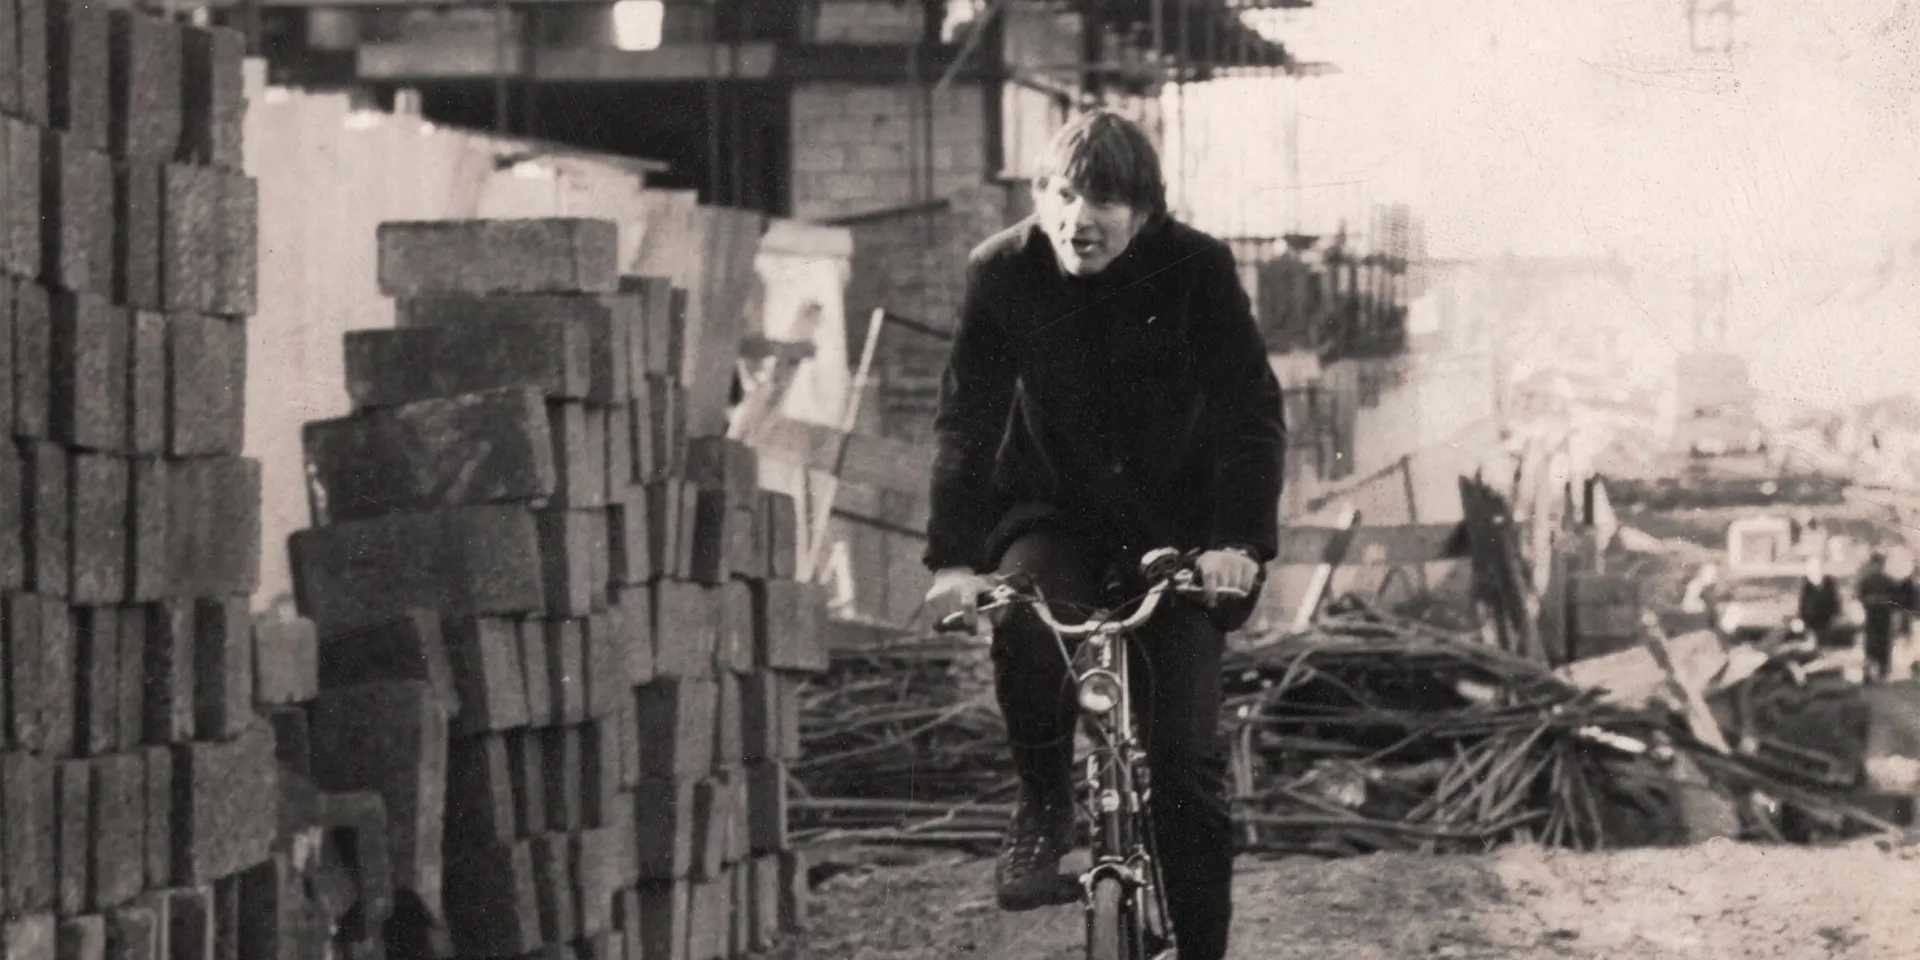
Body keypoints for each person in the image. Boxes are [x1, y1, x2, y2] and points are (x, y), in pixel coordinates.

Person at [920, 110, 1285, 960]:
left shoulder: (1198, 267)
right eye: (1064, 193)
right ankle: (1045, 801)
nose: (1080, 219)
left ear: (1147, 211)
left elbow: (1249, 412)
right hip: (1054, 518)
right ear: (1041, 195)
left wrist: (1239, 542)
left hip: (1180, 538)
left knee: (1185, 773)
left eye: (1107, 202)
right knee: (1022, 618)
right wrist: (953, 556)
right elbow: (967, 418)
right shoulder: (1002, 270)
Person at [1795, 555, 1842, 647]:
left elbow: (1835, 605)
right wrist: (1800, 619)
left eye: (1815, 568)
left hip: (1825, 623)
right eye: (1810, 568)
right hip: (1810, 624)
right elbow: (1802, 607)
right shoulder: (1806, 586)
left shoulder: (1829, 584)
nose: (1812, 571)